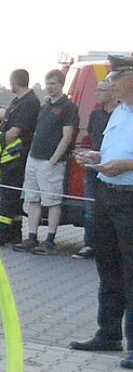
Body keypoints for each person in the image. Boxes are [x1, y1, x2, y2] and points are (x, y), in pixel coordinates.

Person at [68, 62, 133, 369]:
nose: (110, 87)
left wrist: (126, 166)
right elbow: (114, 149)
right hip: (108, 193)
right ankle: (108, 334)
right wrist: (98, 156)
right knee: (108, 267)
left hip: (130, 197)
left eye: (115, 81)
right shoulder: (119, 111)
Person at [15, 69, 79, 254]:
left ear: (61, 84)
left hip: (50, 162)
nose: (50, 87)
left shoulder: (68, 107)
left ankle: (50, 240)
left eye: (54, 84)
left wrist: (53, 160)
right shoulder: (45, 106)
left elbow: (66, 136)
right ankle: (32, 237)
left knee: (51, 201)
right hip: (34, 158)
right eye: (48, 83)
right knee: (32, 199)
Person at [0, 70, 40, 246]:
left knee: (8, 195)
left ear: (14, 82)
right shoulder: (18, 101)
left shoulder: (30, 102)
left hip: (16, 156)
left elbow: (14, 132)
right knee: (12, 197)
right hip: (9, 156)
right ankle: (14, 233)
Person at [77, 77, 116, 260]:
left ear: (112, 93)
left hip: (114, 168)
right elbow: (92, 137)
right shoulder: (95, 115)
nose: (96, 94)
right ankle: (90, 244)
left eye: (100, 91)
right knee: (91, 207)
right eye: (96, 90)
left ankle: (109, 246)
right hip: (94, 166)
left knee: (113, 208)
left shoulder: (120, 115)